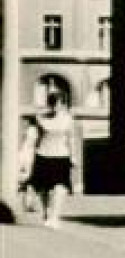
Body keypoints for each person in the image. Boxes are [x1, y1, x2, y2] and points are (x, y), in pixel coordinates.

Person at [24, 87, 79, 228]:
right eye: (53, 103)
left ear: (64, 104)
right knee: (43, 188)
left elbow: (71, 138)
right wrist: (27, 154)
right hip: (43, 155)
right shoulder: (40, 119)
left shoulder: (68, 120)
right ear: (49, 104)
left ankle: (55, 216)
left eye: (59, 103)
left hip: (61, 156)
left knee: (60, 187)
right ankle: (47, 212)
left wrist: (73, 156)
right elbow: (32, 138)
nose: (56, 106)